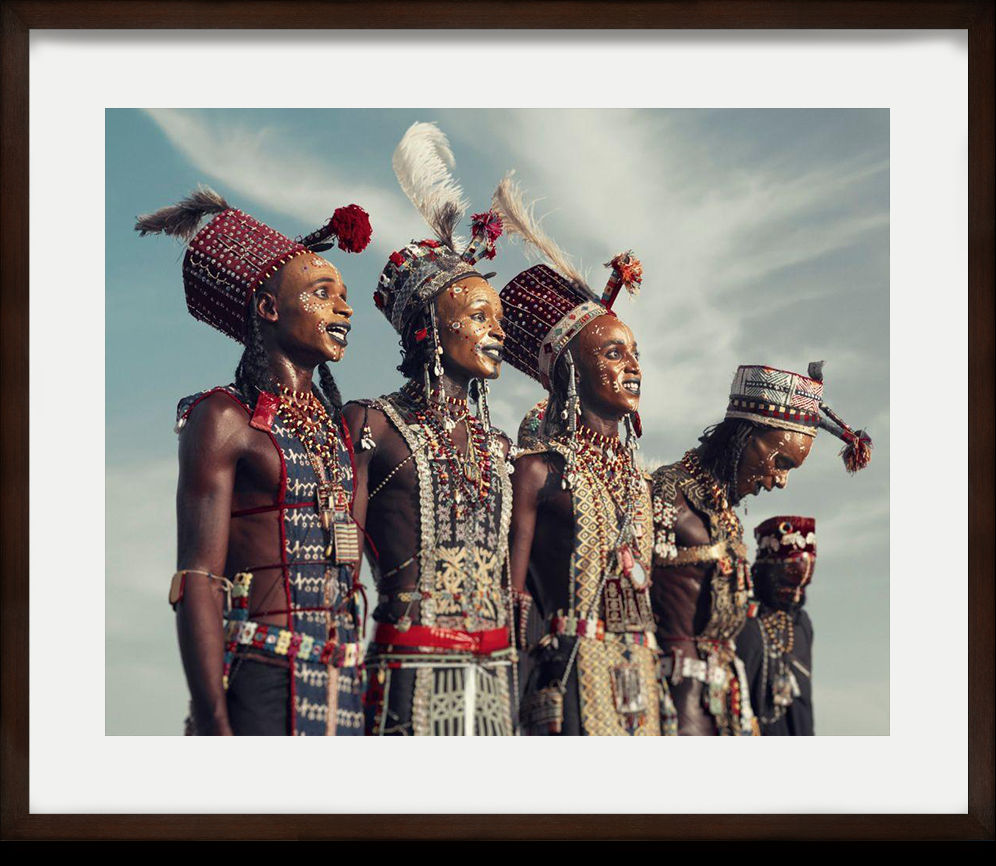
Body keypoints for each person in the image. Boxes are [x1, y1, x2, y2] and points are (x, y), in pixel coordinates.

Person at [136, 186, 373, 735]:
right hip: (260, 677)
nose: (344, 307)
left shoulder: (338, 430)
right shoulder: (223, 418)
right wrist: (212, 718)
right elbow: (198, 576)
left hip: (344, 685)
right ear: (268, 308)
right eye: (322, 292)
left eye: (344, 295)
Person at [344, 122, 516, 736]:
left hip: (497, 681)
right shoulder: (372, 423)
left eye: (499, 318)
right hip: (407, 674)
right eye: (479, 316)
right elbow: (342, 554)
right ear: (431, 329)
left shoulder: (499, 446)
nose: (498, 331)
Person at [495, 175, 672, 736]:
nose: (633, 367)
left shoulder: (639, 481)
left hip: (642, 682)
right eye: (613, 353)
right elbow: (512, 594)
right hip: (564, 682)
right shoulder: (537, 470)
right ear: (570, 371)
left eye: (635, 353)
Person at [651, 361, 872, 735]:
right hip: (668, 711)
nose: (781, 482)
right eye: (781, 463)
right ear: (745, 435)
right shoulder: (665, 495)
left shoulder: (723, 514)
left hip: (724, 714)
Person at [736, 516, 818, 735]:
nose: (796, 594)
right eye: (788, 582)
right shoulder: (745, 619)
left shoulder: (801, 625)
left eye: (803, 585)